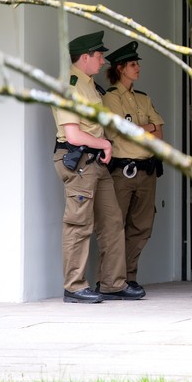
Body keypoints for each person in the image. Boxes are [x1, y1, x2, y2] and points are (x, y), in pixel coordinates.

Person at [52, 31, 146, 303]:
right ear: (85, 57)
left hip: (95, 162)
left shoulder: (89, 85)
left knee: (113, 222)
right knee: (79, 224)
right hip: (79, 160)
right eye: (99, 55)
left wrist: (102, 145)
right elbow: (73, 135)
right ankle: (74, 286)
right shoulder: (69, 86)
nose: (104, 61)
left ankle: (112, 283)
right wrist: (104, 145)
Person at [102, 41, 164, 293]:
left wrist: (146, 130)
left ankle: (127, 278)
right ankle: (110, 280)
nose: (138, 68)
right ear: (120, 68)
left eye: (137, 64)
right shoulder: (110, 98)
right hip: (122, 171)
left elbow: (159, 135)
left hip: (147, 169)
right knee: (115, 227)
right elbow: (124, 133)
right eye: (132, 64)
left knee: (142, 227)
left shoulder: (143, 97)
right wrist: (147, 128)